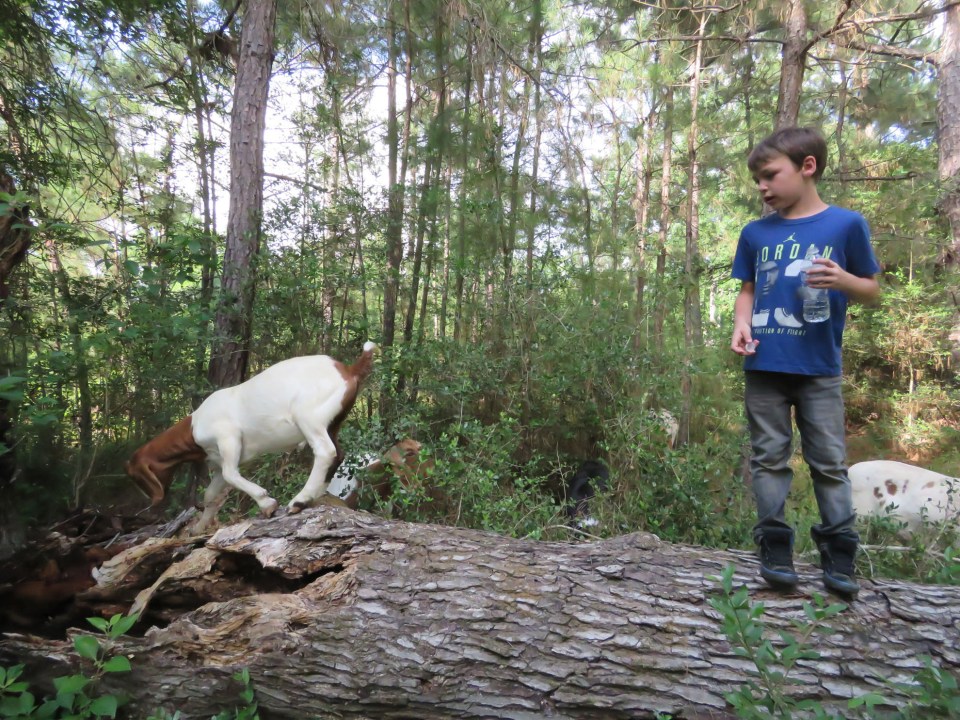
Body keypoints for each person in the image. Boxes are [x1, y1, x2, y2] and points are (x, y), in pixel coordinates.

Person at [730, 127, 881, 597]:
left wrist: (843, 279)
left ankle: (839, 552)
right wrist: (741, 324)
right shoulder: (755, 233)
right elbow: (748, 290)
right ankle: (774, 543)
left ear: (807, 166)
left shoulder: (845, 225)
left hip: (819, 369)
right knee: (769, 460)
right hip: (765, 367)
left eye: (770, 175)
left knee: (830, 463)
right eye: (757, 179)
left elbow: (873, 291)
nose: (762, 186)